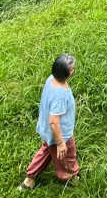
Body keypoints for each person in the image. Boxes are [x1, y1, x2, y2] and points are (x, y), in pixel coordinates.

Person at [19, 54, 79, 189]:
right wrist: (61, 143)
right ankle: (71, 177)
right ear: (66, 72)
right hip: (60, 134)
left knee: (47, 152)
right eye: (72, 69)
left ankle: (29, 180)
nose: (73, 70)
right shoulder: (60, 95)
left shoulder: (51, 79)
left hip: (47, 130)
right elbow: (54, 122)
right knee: (67, 156)